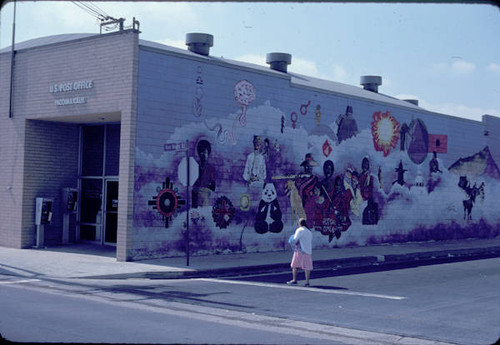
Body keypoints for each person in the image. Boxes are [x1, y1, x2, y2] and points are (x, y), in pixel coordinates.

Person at [287, 218, 313, 287]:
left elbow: (295, 240)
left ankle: (294, 280)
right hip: (308, 251)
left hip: (299, 250)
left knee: (295, 266)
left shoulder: (300, 230)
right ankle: (307, 282)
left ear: (299, 223)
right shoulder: (309, 231)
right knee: (307, 267)